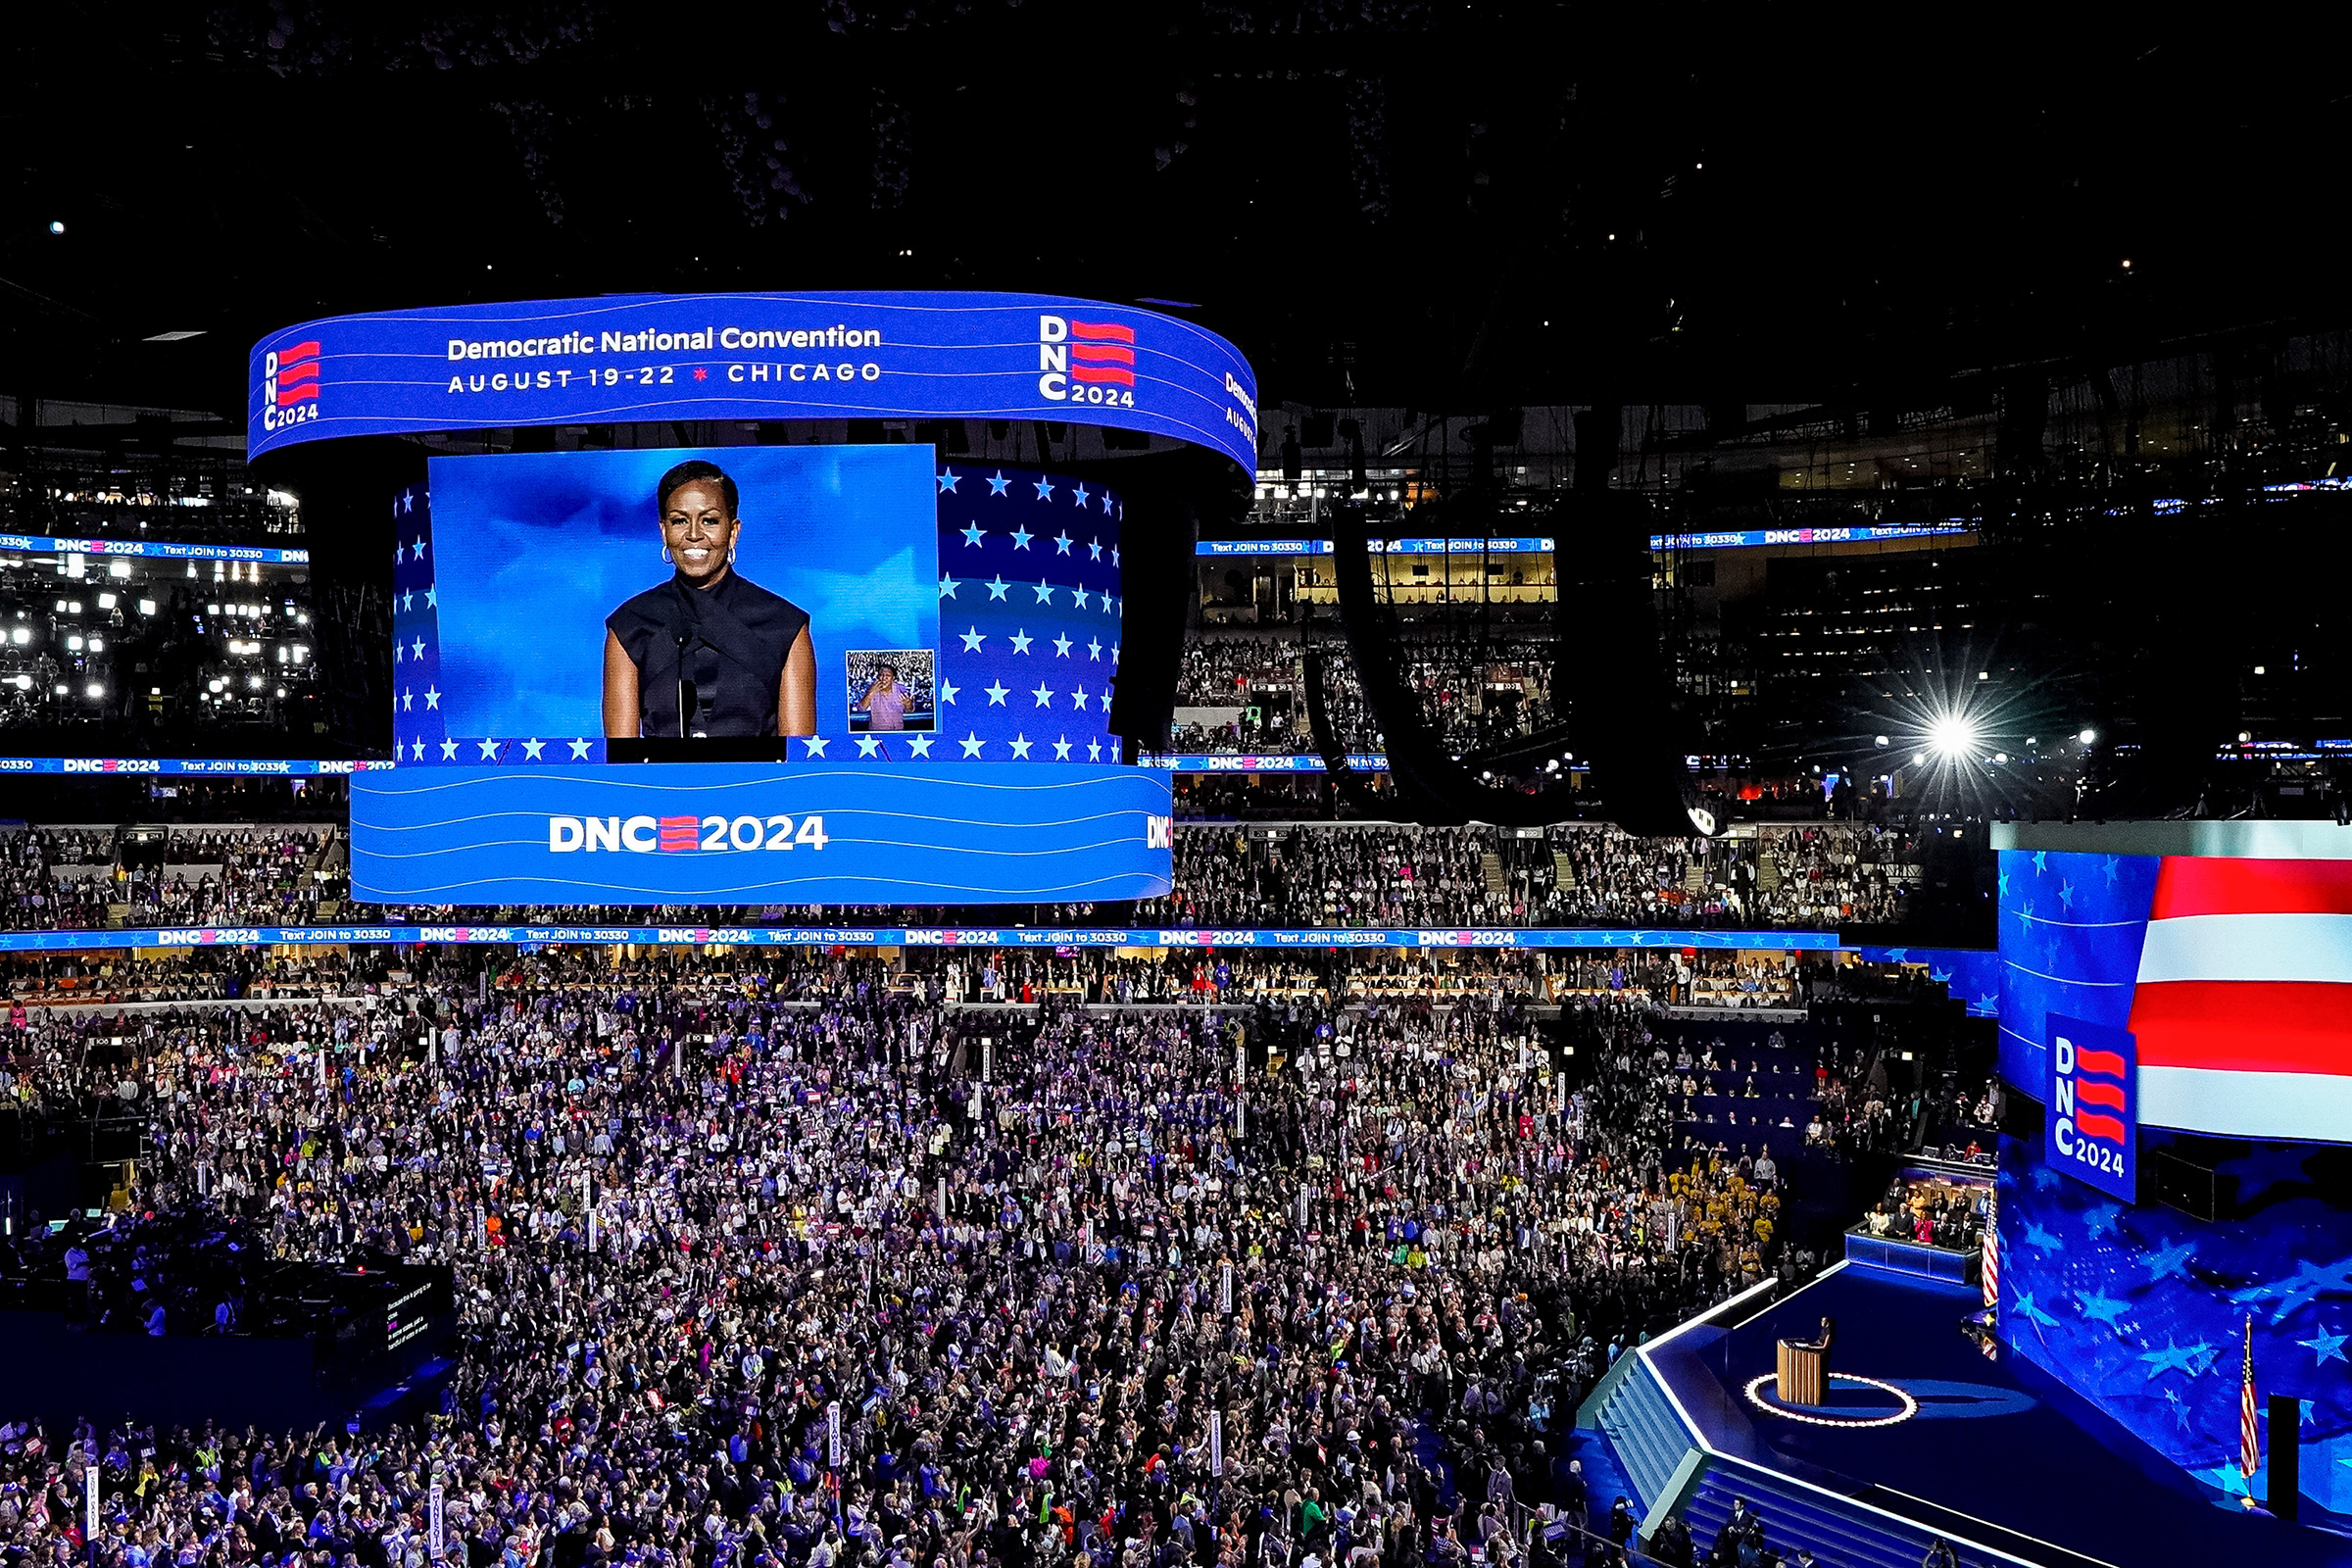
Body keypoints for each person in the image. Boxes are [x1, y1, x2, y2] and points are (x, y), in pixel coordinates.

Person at [602, 459, 817, 738]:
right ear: (664, 532)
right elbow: (621, 763)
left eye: (710, 521)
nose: (693, 534)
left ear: (733, 532)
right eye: (679, 520)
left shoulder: (784, 626)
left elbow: (798, 763)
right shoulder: (630, 626)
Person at [858, 663, 909, 732]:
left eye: (887, 675)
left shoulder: (900, 689)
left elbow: (910, 710)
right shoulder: (872, 688)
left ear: (893, 678)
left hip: (897, 732)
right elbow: (861, 708)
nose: (884, 678)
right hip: (877, 734)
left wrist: (908, 704)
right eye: (881, 675)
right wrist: (871, 693)